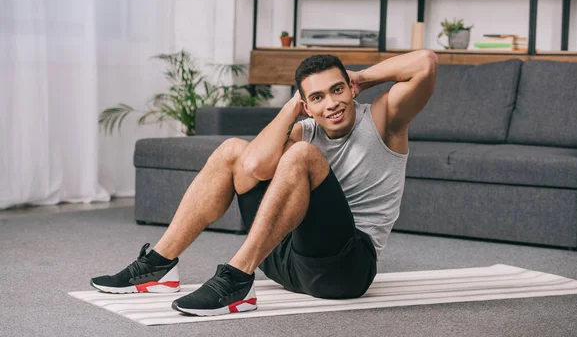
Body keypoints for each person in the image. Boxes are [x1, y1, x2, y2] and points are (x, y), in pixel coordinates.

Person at [91, 50, 438, 316]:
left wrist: (361, 76)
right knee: (232, 151)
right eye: (317, 98)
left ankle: (237, 277)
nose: (331, 103)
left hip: (345, 270)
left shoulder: (383, 119)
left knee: (301, 155)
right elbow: (253, 165)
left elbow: (425, 61)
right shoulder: (305, 127)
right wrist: (290, 111)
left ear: (350, 89)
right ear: (306, 104)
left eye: (337, 90)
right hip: (285, 262)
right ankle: (158, 265)